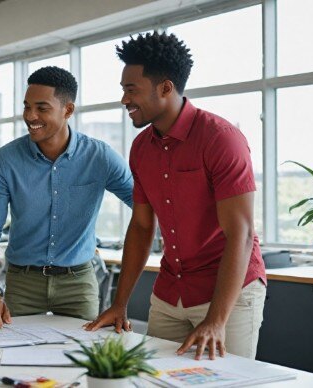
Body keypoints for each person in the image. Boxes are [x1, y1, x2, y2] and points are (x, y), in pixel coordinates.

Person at [86, 32, 266, 360]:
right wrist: (119, 303)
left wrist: (215, 320)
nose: (124, 100)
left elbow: (241, 234)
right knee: (156, 380)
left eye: (131, 90)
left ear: (165, 88)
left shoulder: (221, 139)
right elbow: (141, 228)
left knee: (225, 383)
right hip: (171, 293)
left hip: (228, 295)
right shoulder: (141, 148)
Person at [0, 66, 133, 327]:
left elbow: (144, 205)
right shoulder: (6, 160)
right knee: (14, 360)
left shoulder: (100, 157)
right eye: (27, 107)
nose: (30, 116)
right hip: (22, 283)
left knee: (82, 358)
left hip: (78, 283)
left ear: (68, 110)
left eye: (41, 108)